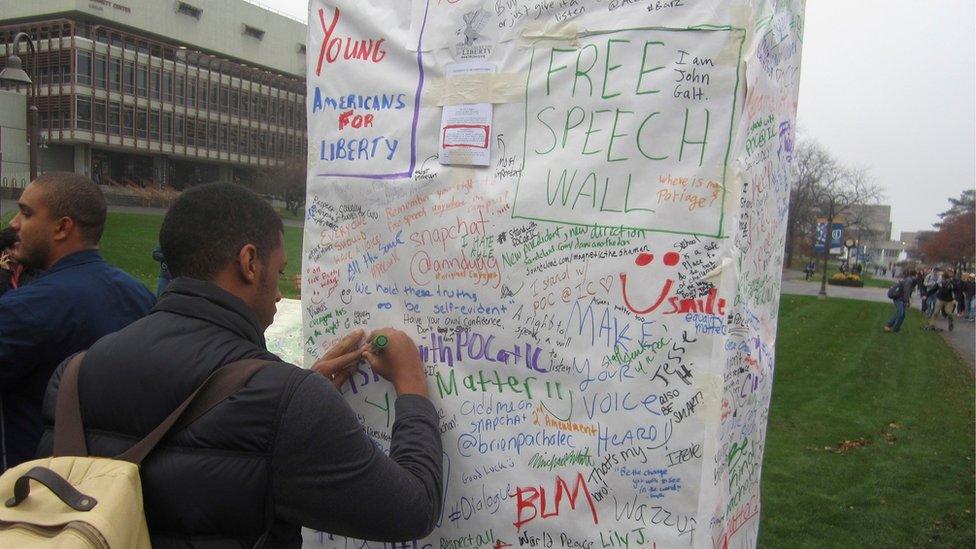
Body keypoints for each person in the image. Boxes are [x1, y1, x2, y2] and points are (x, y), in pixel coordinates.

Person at [38, 183, 443, 547]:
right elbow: (413, 509)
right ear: (250, 263)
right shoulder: (285, 402)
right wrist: (410, 385)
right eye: (280, 272)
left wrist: (294, 387)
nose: (280, 297)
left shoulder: (74, 373)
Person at [0, 172, 156, 470]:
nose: (14, 224)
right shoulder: (139, 295)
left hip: (37, 491)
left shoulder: (27, 307)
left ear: (62, 227)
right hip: (117, 485)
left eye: (26, 213)